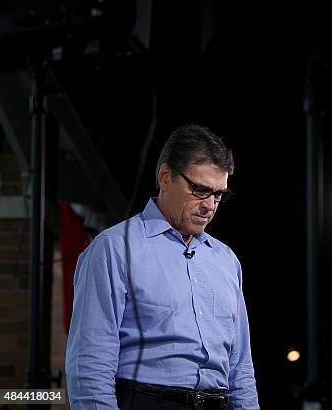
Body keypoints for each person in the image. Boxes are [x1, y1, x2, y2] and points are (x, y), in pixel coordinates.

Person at [66, 124, 259, 410]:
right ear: (165, 177)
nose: (210, 205)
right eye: (200, 190)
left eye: (218, 195)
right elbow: (89, 363)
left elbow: (240, 365)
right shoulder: (114, 248)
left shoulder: (226, 260)